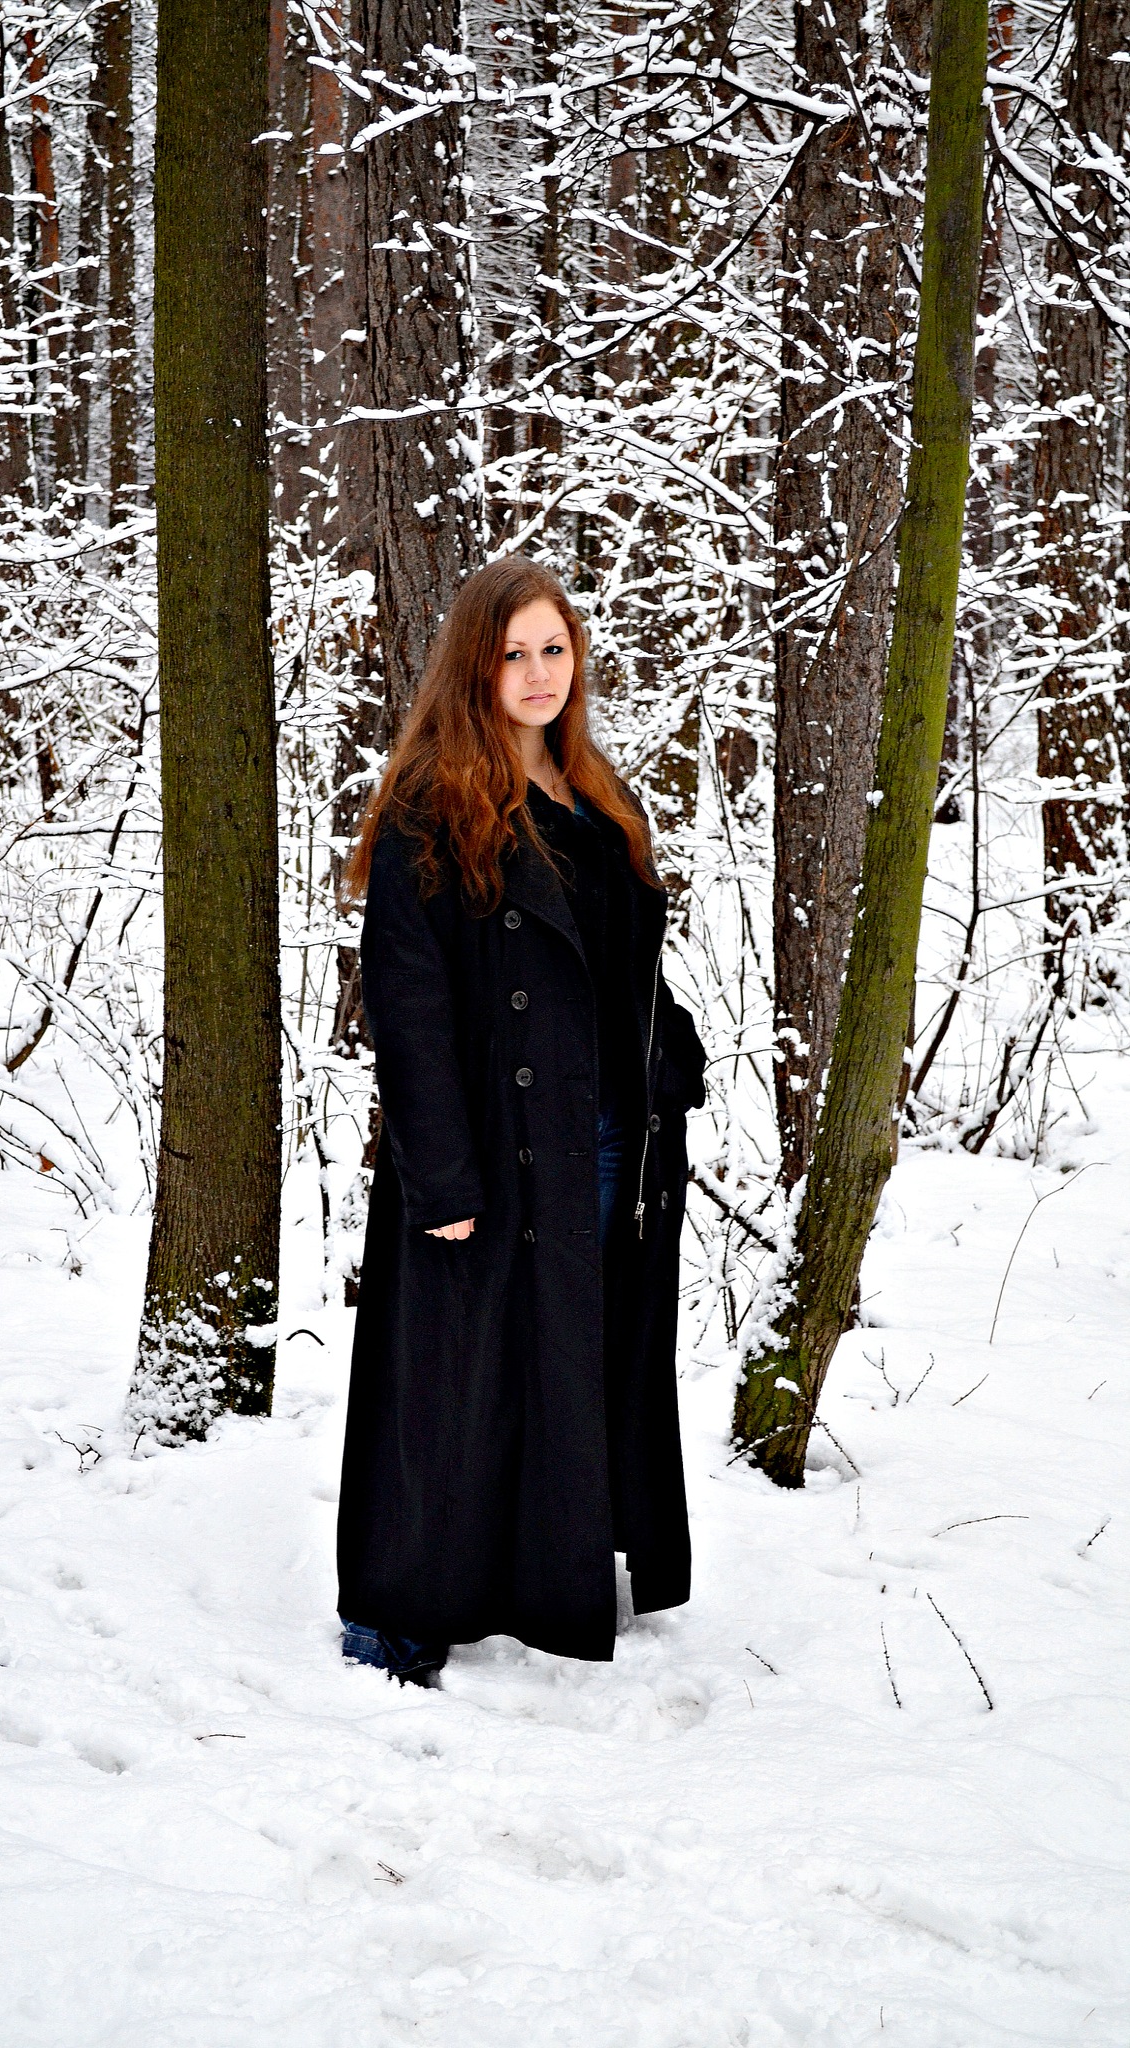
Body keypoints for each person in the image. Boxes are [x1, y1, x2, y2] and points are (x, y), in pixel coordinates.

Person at [336, 556, 708, 1686]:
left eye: (555, 649)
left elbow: (622, 964)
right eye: (514, 654)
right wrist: (441, 1177)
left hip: (609, 1137)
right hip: (495, 1143)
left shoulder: (595, 794)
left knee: (572, 1358)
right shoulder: (429, 806)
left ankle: (547, 1574)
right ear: (475, 666)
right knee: (459, 1376)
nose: (539, 673)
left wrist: (671, 1058)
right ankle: (406, 1604)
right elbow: (407, 1002)